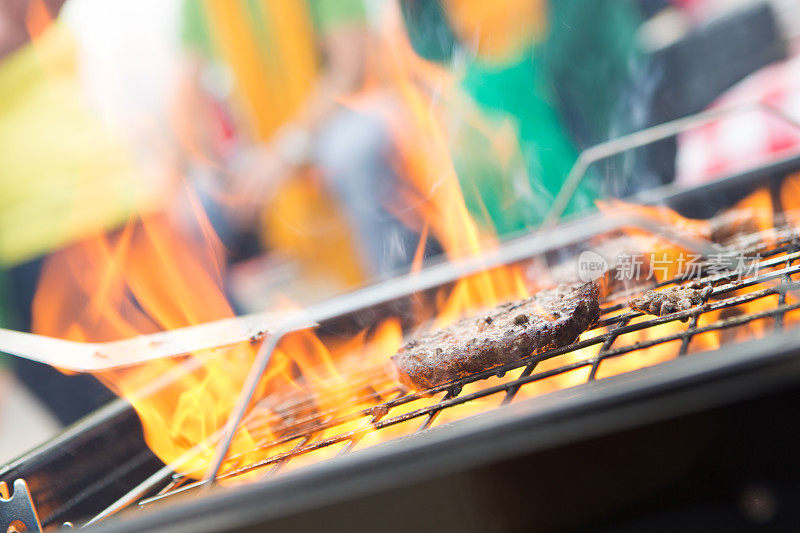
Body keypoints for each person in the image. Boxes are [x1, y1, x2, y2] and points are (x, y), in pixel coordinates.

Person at [175, 0, 419, 286]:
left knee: (352, 150)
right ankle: (248, 327)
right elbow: (188, 89)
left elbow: (350, 70)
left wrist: (284, 152)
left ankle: (404, 299)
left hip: (342, 115)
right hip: (262, 141)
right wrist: (214, 167)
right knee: (195, 210)